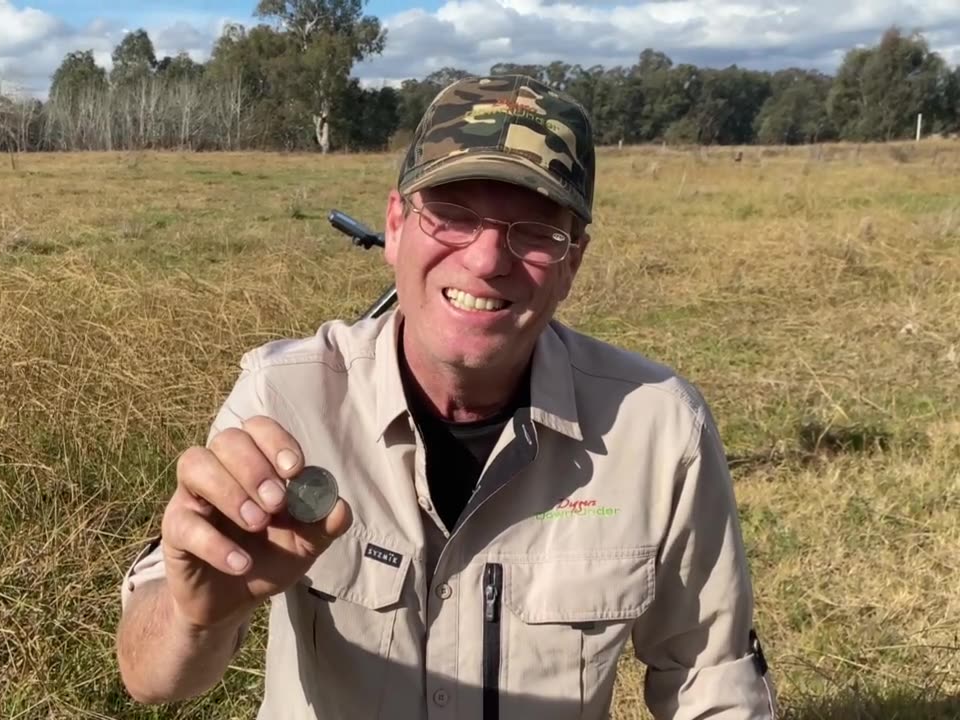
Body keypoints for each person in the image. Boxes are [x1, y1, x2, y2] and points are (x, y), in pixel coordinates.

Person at [115, 74, 778, 719]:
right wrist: (193, 615)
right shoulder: (283, 399)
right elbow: (151, 680)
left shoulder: (659, 429)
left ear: (573, 261)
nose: (488, 259)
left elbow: (711, 677)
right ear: (396, 225)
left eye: (538, 232)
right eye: (454, 215)